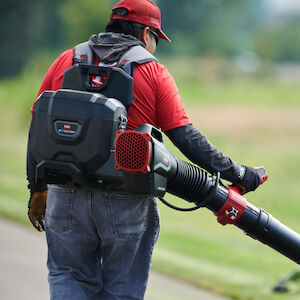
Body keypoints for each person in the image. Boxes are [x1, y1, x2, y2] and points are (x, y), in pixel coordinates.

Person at [27, 0, 263, 299]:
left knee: (68, 277)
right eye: (155, 39)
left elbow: (39, 127)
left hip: (65, 194)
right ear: (144, 34)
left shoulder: (66, 59)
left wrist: (37, 188)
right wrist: (239, 173)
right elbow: (184, 136)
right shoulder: (152, 71)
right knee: (121, 290)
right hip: (126, 197)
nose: (154, 46)